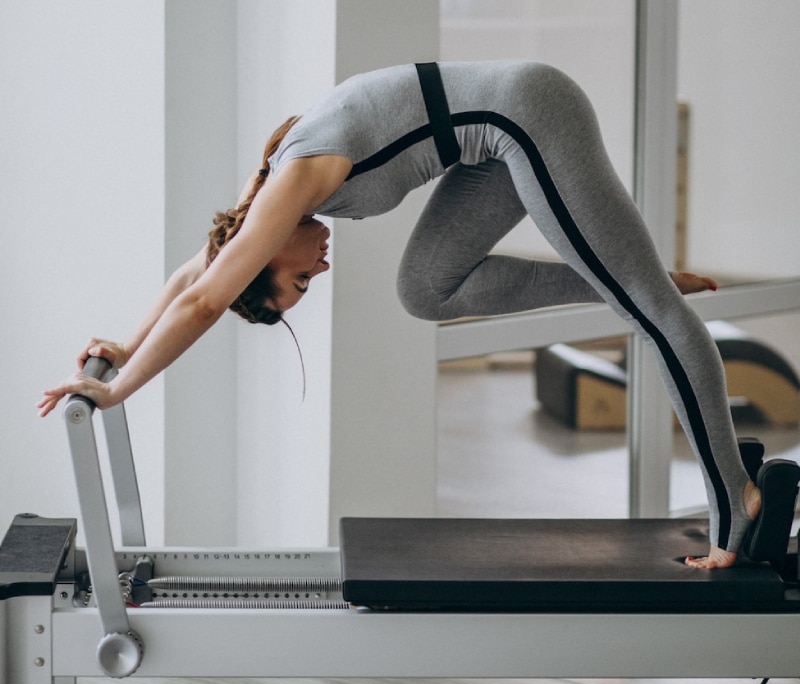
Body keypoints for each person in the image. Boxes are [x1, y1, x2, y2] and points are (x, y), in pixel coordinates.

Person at [39, 60, 765, 569]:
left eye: (296, 279)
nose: (318, 269)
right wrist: (126, 346)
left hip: (527, 113)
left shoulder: (290, 181)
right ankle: (625, 277)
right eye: (306, 284)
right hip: (490, 143)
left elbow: (204, 297)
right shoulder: (262, 202)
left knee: (658, 317)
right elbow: (195, 271)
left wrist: (115, 390)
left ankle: (736, 496)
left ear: (260, 258)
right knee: (425, 290)